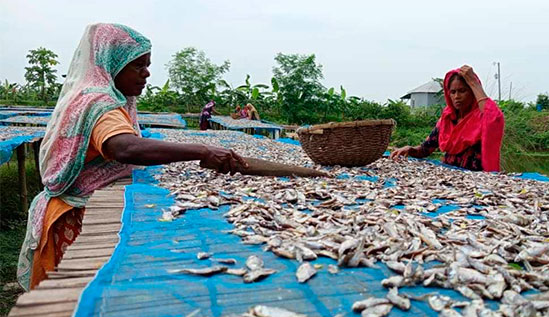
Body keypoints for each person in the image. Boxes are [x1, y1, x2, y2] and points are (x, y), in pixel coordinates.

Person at [16, 23, 326, 291]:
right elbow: (123, 147)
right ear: (112, 64)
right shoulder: (100, 102)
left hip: (71, 201)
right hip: (74, 213)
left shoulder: (94, 94)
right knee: (81, 294)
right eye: (139, 65)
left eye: (147, 64)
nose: (147, 73)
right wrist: (202, 150)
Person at [391, 65, 504, 172]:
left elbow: (494, 118)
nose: (457, 96)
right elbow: (425, 149)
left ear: (472, 92)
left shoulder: (482, 118)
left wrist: (474, 83)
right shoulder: (447, 119)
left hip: (476, 180)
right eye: (453, 92)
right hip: (450, 177)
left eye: (462, 91)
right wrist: (410, 149)